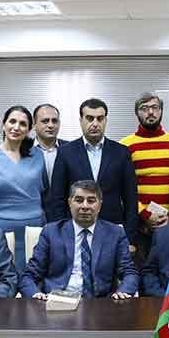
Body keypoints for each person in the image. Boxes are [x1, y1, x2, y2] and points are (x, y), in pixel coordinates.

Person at [20, 180, 138, 299]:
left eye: (91, 201)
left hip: (100, 303)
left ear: (100, 205)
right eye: (79, 200)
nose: (85, 206)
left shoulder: (115, 233)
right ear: (70, 203)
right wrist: (36, 294)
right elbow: (29, 275)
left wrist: (123, 291)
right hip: (57, 302)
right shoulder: (51, 232)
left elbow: (129, 272)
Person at [50, 98, 138, 246]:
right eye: (90, 118)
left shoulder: (121, 152)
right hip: (75, 230)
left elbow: (131, 199)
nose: (95, 123)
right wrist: (59, 235)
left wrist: (129, 238)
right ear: (81, 120)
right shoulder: (66, 153)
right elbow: (58, 198)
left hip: (112, 230)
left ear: (105, 120)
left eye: (100, 118)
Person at [0, 105, 47, 273]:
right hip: (3, 232)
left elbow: (44, 192)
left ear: (29, 129)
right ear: (3, 124)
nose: (16, 127)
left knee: (34, 279)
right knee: (6, 279)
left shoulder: (37, 155)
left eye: (23, 124)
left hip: (36, 230)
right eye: (12, 121)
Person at [120, 92, 169, 264]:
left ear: (161, 111)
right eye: (144, 108)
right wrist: (145, 214)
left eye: (155, 107)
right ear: (137, 113)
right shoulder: (125, 145)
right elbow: (123, 188)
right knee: (141, 272)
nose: (150, 112)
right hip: (140, 225)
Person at [33, 103, 68, 185]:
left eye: (55, 121)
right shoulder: (24, 149)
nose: (51, 125)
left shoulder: (71, 149)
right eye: (45, 121)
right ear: (34, 125)